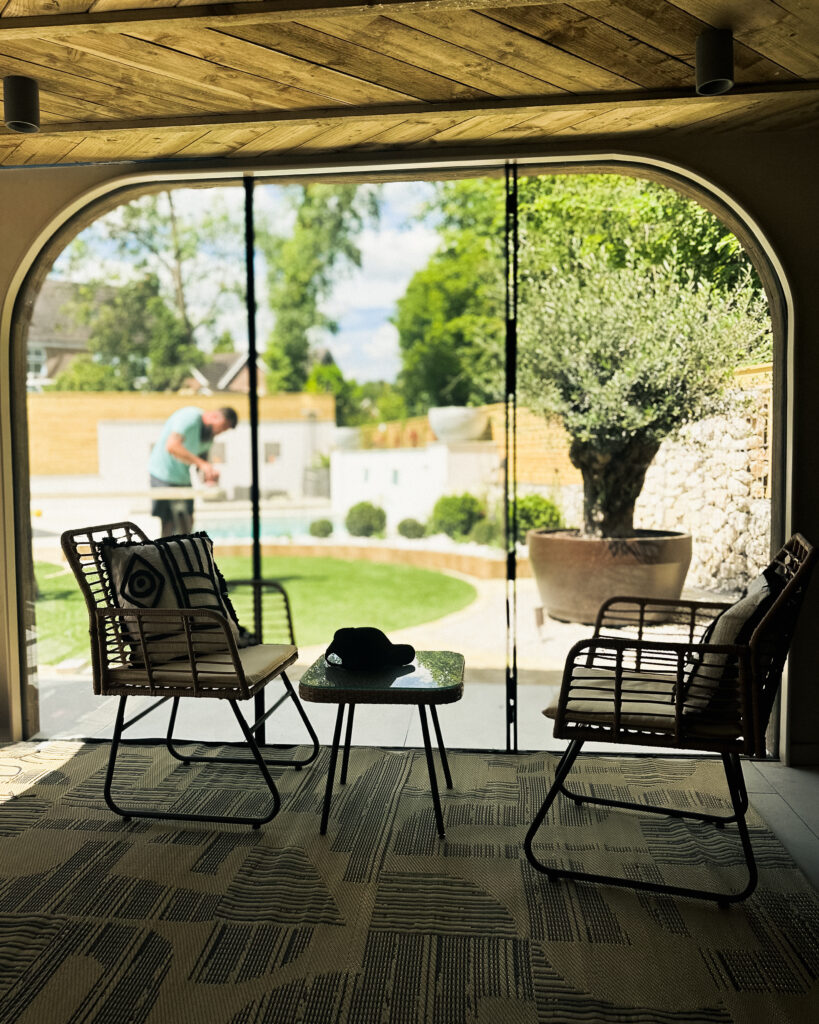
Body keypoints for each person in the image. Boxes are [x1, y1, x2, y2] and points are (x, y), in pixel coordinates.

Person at [148, 406, 238, 537]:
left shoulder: (208, 438)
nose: (220, 432)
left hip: (183, 478)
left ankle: (186, 550)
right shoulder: (189, 417)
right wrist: (203, 465)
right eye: (222, 426)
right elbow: (172, 446)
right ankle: (165, 550)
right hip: (162, 474)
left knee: (187, 523)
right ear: (214, 416)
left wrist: (209, 475)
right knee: (168, 523)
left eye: (224, 430)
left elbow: (200, 466)